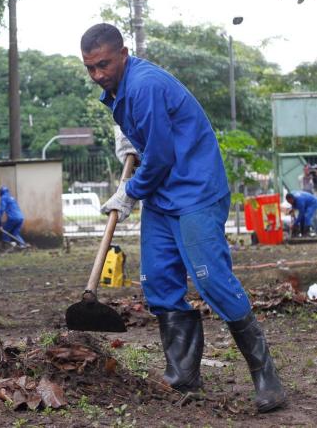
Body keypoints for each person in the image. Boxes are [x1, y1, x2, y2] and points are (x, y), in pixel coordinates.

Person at [81, 23, 285, 412]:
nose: (98, 75)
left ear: (123, 54)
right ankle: (183, 375)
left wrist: (128, 193)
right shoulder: (118, 89)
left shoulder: (144, 85)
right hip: (163, 195)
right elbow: (150, 146)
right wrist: (128, 137)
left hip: (194, 189)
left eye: (104, 64)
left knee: (214, 282)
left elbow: (161, 158)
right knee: (159, 280)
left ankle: (266, 376)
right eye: (90, 67)